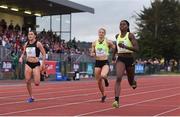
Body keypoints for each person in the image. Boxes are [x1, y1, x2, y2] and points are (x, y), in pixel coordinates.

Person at [112, 20, 139, 108]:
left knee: (130, 81)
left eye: (124, 24)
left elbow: (136, 49)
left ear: (127, 27)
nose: (122, 26)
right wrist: (113, 55)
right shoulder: (117, 36)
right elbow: (116, 47)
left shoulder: (130, 35)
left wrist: (125, 46)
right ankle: (116, 100)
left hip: (130, 59)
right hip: (120, 59)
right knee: (119, 77)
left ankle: (133, 81)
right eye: (120, 24)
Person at [19, 30, 46, 103]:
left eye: (31, 34)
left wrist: (43, 64)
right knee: (27, 80)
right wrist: (21, 57)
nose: (29, 36)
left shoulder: (38, 44)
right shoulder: (26, 44)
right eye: (28, 34)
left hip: (36, 64)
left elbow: (43, 53)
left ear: (35, 36)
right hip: (28, 63)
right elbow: (23, 53)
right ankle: (31, 97)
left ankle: (39, 73)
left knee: (37, 83)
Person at [90, 28, 115, 102]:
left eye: (102, 32)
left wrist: (113, 53)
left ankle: (106, 80)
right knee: (98, 81)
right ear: (98, 33)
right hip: (97, 62)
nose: (101, 33)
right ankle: (103, 95)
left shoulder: (108, 41)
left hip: (105, 62)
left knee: (103, 75)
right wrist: (92, 54)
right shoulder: (94, 43)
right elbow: (92, 52)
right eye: (100, 32)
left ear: (104, 34)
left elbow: (115, 48)